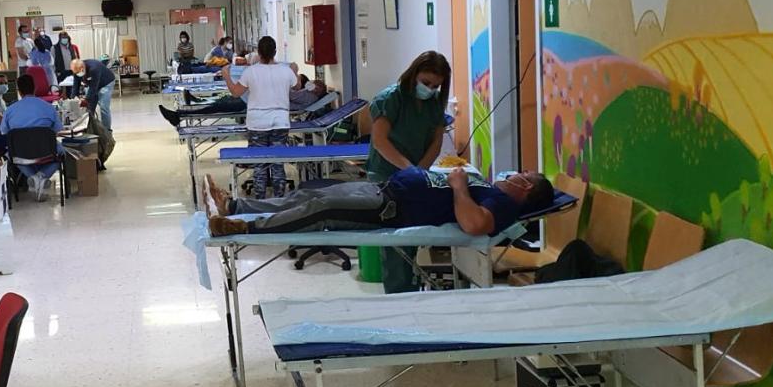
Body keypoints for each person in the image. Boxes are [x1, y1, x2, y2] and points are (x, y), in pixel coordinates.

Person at [204, 166, 554, 238]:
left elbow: (475, 225)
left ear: (525, 185)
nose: (513, 172)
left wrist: (460, 186)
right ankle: (236, 207)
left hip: (389, 209)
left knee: (319, 211)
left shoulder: (504, 204)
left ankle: (242, 228)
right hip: (383, 190)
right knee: (310, 193)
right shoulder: (490, 187)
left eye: (521, 173)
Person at [221, 35, 297, 198]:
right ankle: (280, 201)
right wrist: (295, 69)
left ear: (258, 53)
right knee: (278, 163)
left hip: (257, 123)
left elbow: (236, 93)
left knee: (259, 164)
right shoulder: (286, 71)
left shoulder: (251, 72)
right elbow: (296, 86)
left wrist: (226, 75)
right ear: (275, 52)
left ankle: (260, 201)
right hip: (280, 122)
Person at [365, 50, 451, 182]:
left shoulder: (436, 102)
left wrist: (420, 171)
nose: (429, 89)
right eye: (425, 83)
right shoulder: (390, 98)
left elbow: (436, 142)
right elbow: (379, 141)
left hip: (418, 172)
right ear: (413, 74)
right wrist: (411, 170)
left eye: (435, 86)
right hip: (385, 174)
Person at [157, 78, 328, 128]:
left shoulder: (310, 98)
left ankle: (179, 115)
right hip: (255, 101)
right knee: (221, 101)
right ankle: (182, 112)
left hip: (257, 106)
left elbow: (287, 94)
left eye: (315, 84)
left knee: (218, 107)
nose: (312, 83)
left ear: (318, 90)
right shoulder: (307, 93)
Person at [0, 73, 64, 201]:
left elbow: (3, 131)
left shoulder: (10, 110)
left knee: (11, 155)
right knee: (62, 154)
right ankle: (42, 176)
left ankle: (33, 176)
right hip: (46, 151)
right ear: (35, 88)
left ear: (19, 91)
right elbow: (58, 129)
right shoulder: (48, 107)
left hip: (20, 152)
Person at [71, 57, 116, 132]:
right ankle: (90, 129)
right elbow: (75, 86)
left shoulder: (94, 68)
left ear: (83, 68)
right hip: (93, 83)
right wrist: (74, 99)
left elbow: (93, 87)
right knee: (89, 108)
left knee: (104, 107)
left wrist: (86, 100)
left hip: (106, 83)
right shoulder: (76, 70)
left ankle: (107, 131)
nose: (78, 74)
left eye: (79, 72)